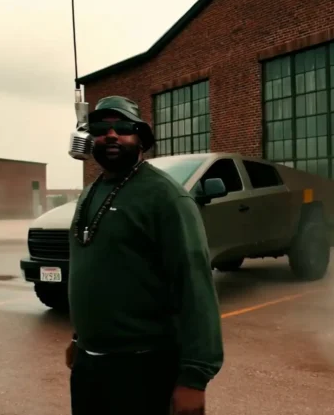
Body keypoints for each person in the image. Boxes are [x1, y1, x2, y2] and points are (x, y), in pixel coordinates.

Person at [65, 95, 224, 415]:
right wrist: (80, 339)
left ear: (141, 139)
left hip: (142, 368)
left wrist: (193, 378)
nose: (111, 135)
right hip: (90, 365)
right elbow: (98, 270)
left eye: (124, 127)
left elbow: (194, 286)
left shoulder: (166, 198)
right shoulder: (92, 191)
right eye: (101, 127)